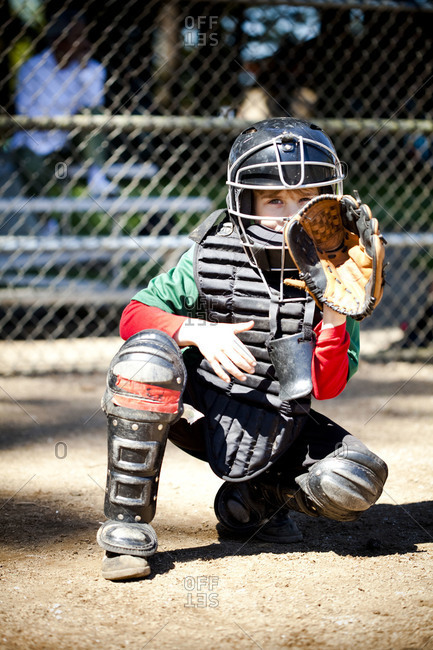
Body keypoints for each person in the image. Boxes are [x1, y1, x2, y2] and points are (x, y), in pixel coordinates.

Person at [96, 118, 388, 581]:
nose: (292, 211)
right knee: (146, 359)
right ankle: (127, 527)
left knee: (354, 480)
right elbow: (133, 317)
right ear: (243, 199)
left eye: (308, 199)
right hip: (200, 402)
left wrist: (333, 316)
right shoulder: (211, 253)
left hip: (277, 415)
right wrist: (199, 332)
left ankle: (253, 501)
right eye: (275, 199)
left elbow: (327, 388)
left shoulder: (339, 270)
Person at [10, 11, 117, 197]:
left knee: (94, 115)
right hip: (38, 141)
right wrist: (63, 117)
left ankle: (96, 176)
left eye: (84, 37)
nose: (82, 44)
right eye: (76, 37)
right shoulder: (32, 68)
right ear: (58, 40)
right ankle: (47, 221)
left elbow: (94, 105)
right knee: (28, 162)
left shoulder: (91, 69)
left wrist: (84, 69)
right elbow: (26, 111)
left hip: (72, 141)